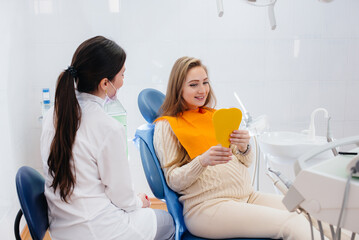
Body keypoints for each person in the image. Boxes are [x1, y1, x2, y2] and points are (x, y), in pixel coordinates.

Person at [153, 56, 333, 240]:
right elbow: (173, 180)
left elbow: (246, 162)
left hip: (247, 196)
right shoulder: (167, 126)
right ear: (178, 88)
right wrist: (202, 161)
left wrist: (244, 147)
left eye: (205, 82)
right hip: (207, 207)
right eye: (193, 85)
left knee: (308, 208)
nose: (202, 90)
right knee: (291, 222)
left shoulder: (213, 116)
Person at [41, 36, 174, 240]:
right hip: (98, 230)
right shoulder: (108, 127)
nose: (122, 81)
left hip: (61, 230)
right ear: (105, 83)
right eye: (122, 74)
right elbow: (123, 198)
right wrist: (140, 201)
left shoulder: (53, 113)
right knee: (168, 223)